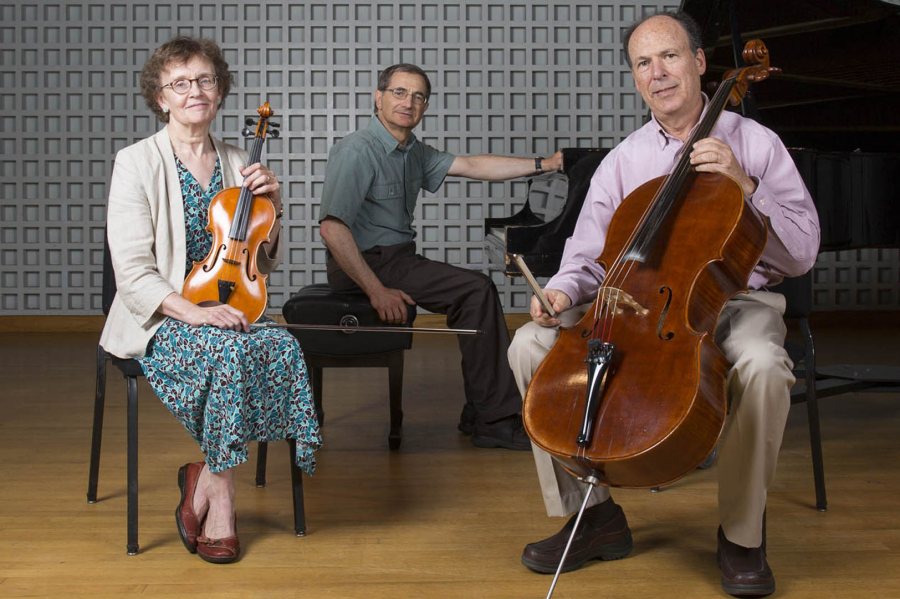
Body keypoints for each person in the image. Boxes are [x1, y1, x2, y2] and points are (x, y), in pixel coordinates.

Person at [507, 12, 820, 597]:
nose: (658, 73)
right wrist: (559, 292)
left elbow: (801, 252)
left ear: (700, 63)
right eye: (643, 63)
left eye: (670, 56)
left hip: (736, 298)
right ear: (635, 79)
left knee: (762, 365)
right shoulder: (623, 160)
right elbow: (586, 260)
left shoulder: (756, 143)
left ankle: (742, 535)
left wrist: (745, 188)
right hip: (637, 307)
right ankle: (594, 515)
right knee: (530, 345)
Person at [99, 36, 321, 564]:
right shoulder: (135, 163)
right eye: (180, 83)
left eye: (204, 80)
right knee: (225, 352)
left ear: (219, 91)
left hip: (231, 308)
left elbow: (261, 263)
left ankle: (205, 474)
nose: (194, 91)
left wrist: (276, 207)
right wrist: (195, 312)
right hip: (160, 316)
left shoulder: (241, 160)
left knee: (283, 347)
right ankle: (221, 496)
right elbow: (132, 273)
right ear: (161, 97)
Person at [318, 63, 563, 451]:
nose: (408, 102)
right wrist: (378, 291)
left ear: (425, 106)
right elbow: (332, 229)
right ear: (378, 98)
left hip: (395, 259)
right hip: (366, 263)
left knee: (473, 293)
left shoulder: (412, 151)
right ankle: (494, 421)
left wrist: (543, 165)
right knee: (476, 291)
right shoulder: (356, 150)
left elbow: (472, 165)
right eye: (399, 92)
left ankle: (481, 410)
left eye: (418, 96)